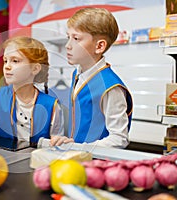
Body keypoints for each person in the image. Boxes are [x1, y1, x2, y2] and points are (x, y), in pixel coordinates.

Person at [50, 7, 133, 148]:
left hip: (97, 163)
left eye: (76, 39)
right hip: (77, 158)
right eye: (68, 37)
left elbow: (119, 139)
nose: (68, 45)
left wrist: (82, 148)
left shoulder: (110, 87)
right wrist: (66, 140)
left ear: (99, 46)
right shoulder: (77, 74)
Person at [0, 36, 64, 149]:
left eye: (15, 61)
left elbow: (56, 146)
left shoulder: (53, 106)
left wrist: (59, 142)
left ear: (35, 69)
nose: (7, 66)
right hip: (4, 163)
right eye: (5, 61)